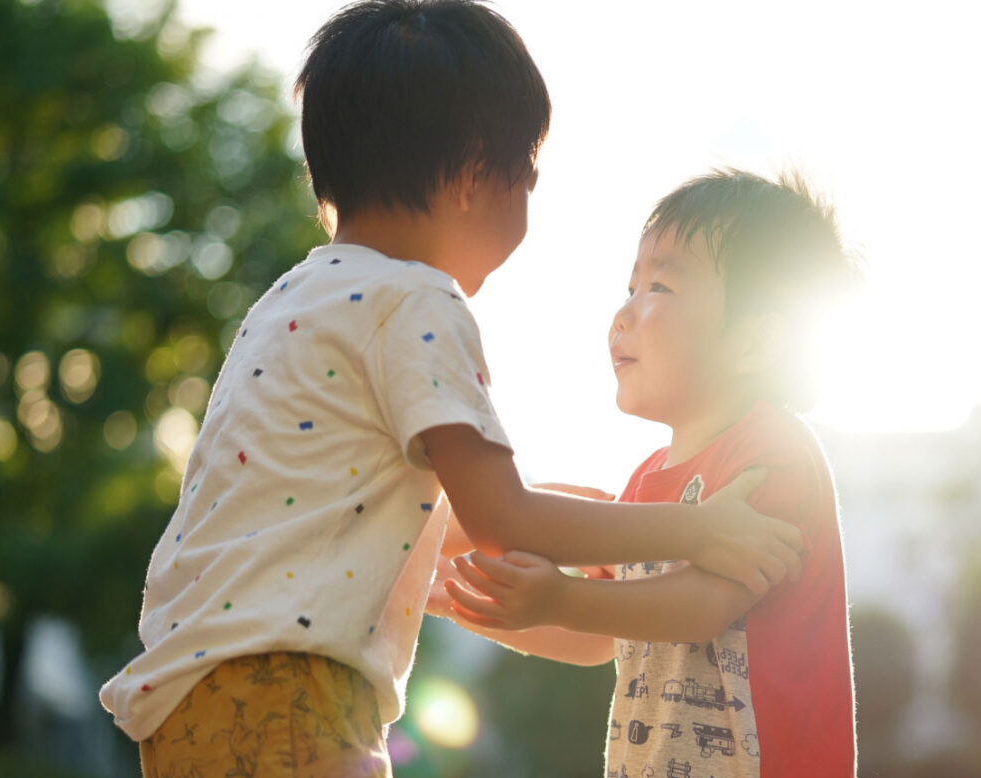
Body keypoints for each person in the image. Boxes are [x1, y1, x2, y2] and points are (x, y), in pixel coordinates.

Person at [98, 5, 803, 775]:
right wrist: (693, 531)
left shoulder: (295, 299)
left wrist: (573, 522)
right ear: (474, 177)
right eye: (525, 177)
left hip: (192, 699)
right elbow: (502, 517)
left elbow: (348, 506)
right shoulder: (417, 303)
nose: (527, 203)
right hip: (286, 687)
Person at [434, 169, 861, 777]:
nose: (622, 315)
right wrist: (486, 607)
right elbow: (603, 633)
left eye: (658, 286)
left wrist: (561, 593)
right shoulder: (646, 480)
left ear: (754, 344)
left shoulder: (774, 452)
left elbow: (703, 604)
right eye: (629, 287)